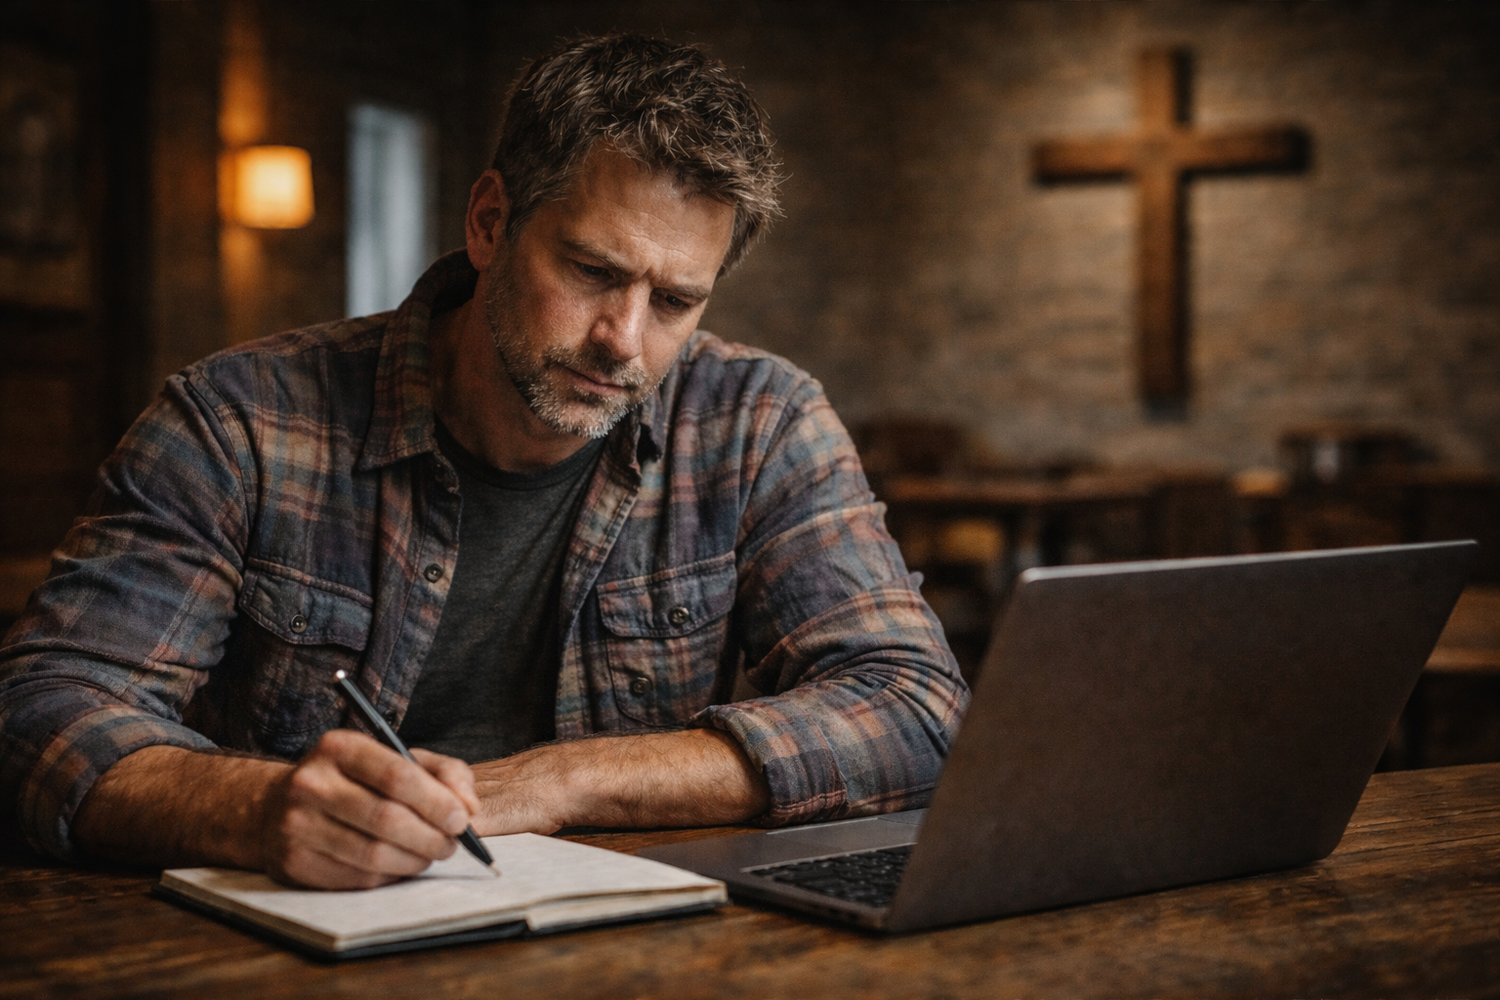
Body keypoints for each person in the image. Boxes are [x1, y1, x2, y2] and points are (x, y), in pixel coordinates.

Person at [0, 35, 967, 889]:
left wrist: (558, 780)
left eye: (675, 301)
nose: (624, 341)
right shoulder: (238, 424)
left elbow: (916, 706)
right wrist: (253, 809)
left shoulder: (759, 422)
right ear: (491, 222)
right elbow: (41, 717)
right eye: (592, 272)